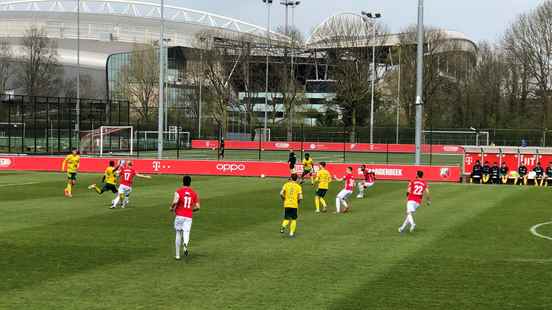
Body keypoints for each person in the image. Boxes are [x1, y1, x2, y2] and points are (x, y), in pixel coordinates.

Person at [170, 175, 200, 260]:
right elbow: (198, 207)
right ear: (190, 182)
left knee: (178, 233)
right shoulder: (194, 193)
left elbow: (175, 201)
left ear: (183, 182)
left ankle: (177, 255)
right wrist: (191, 210)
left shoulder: (178, 191)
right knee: (186, 232)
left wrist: (172, 207)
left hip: (179, 215)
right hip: (188, 216)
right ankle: (185, 244)